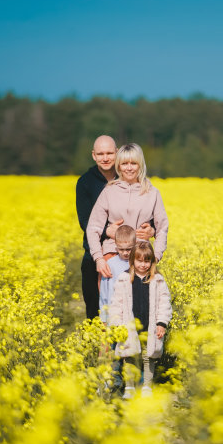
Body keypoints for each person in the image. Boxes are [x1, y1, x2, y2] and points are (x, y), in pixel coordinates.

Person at [76, 136, 153, 320]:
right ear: (94, 156)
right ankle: (98, 348)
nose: (105, 158)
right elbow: (86, 222)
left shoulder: (129, 174)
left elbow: (148, 215)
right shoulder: (85, 182)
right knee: (97, 309)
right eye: (100, 154)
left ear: (117, 152)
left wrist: (153, 231)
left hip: (129, 255)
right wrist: (106, 232)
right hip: (95, 256)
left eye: (109, 153)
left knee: (134, 308)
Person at [87, 143, 168, 281]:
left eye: (134, 163)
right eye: (124, 163)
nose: (129, 168)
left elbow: (162, 228)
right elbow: (93, 227)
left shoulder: (152, 193)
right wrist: (99, 259)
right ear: (118, 166)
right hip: (113, 253)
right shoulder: (108, 191)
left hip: (142, 257)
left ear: (140, 165)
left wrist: (155, 257)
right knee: (111, 301)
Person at [109, 241, 172, 398]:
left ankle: (147, 388)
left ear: (152, 262)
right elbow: (116, 304)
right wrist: (117, 325)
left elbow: (164, 303)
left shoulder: (157, 279)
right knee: (129, 356)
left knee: (148, 356)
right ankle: (129, 387)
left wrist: (161, 323)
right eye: (139, 261)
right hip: (129, 326)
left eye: (146, 261)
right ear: (132, 260)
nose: (143, 265)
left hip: (149, 326)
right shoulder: (124, 278)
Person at [99, 225, 136, 323]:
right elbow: (104, 292)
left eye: (129, 249)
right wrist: (104, 317)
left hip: (133, 313)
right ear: (115, 245)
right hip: (114, 314)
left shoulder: (138, 263)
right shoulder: (110, 264)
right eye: (121, 249)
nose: (125, 253)